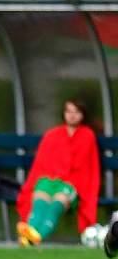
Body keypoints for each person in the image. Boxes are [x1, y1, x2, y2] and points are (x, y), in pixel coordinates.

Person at [17, 100, 100, 246]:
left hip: (71, 184)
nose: (72, 115)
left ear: (82, 115)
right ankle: (30, 233)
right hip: (49, 180)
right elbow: (41, 163)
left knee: (57, 202)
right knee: (40, 199)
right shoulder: (52, 135)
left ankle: (35, 236)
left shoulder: (88, 136)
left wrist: (68, 181)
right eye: (69, 111)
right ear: (64, 113)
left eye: (76, 112)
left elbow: (87, 169)